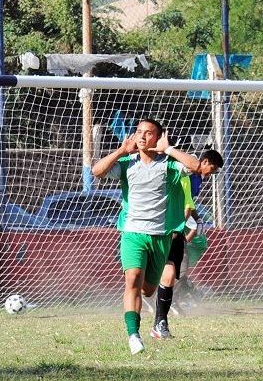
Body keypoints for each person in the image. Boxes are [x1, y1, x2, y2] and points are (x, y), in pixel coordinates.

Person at [92, 118, 200, 355]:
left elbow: (196, 166)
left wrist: (169, 148)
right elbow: (97, 171)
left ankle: (144, 314)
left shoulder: (170, 166)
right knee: (132, 279)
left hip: (160, 237)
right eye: (138, 132)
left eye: (148, 133)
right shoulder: (126, 164)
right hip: (132, 234)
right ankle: (133, 335)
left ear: (159, 137)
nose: (141, 136)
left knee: (148, 289)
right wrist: (121, 149)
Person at [151, 149, 223, 339]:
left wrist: (196, 219)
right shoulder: (184, 173)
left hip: (178, 227)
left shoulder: (196, 179)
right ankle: (165, 300)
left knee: (175, 271)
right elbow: (184, 204)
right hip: (167, 226)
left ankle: (165, 308)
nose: (211, 173)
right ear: (204, 161)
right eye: (212, 168)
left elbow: (189, 203)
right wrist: (181, 224)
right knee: (168, 272)